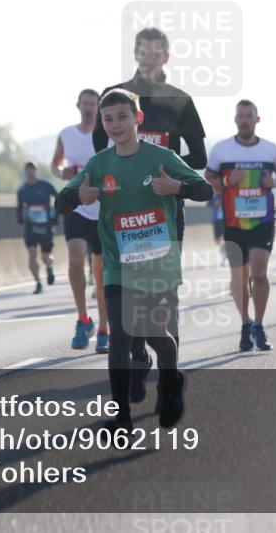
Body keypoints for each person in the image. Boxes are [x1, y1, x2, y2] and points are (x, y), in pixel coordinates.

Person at [56, 88, 212, 433]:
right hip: (117, 264)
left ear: (137, 119)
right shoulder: (99, 164)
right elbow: (61, 202)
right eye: (108, 119)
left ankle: (171, 380)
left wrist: (177, 188)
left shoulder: (161, 157)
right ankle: (122, 417)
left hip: (157, 263)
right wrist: (74, 196)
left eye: (122, 117)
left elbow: (205, 190)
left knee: (155, 335)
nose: (115, 125)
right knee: (121, 336)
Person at [92, 27, 207, 402]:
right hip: (122, 214)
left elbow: (201, 159)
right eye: (142, 51)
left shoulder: (180, 99)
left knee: (163, 292)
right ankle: (138, 355)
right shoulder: (117, 96)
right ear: (135, 54)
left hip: (164, 209)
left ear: (166, 57)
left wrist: (168, 174)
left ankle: (168, 371)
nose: (149, 57)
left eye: (156, 52)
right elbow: (98, 151)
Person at [206, 100, 276, 351]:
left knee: (260, 273)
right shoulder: (221, 150)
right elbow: (208, 179)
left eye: (248, 116)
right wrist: (226, 179)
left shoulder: (271, 150)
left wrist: (274, 181)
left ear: (257, 120)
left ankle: (259, 325)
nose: (244, 120)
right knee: (239, 278)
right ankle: (245, 322)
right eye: (240, 116)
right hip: (233, 222)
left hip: (262, 220)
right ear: (235, 120)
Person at [51, 90, 108, 352]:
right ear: (78, 106)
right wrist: (63, 172)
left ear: (98, 107)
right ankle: (83, 319)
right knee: (75, 258)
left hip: (103, 208)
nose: (88, 108)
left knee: (101, 273)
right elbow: (55, 166)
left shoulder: (108, 134)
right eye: (85, 103)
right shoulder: (67, 134)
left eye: (93, 104)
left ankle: (104, 329)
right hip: (76, 204)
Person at [17, 162, 58, 295]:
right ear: (25, 172)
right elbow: (19, 207)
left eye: (32, 169)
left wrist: (55, 215)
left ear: (36, 171)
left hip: (45, 226)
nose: (29, 172)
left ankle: (49, 267)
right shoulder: (22, 190)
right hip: (31, 227)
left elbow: (59, 198)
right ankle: (38, 281)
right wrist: (20, 217)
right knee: (32, 254)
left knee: (45, 257)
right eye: (27, 170)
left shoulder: (45, 186)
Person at [210, 193, 227, 265]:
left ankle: (224, 257)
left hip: (225, 220)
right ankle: (223, 256)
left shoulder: (226, 195)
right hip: (216, 221)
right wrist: (215, 203)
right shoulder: (214, 197)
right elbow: (209, 205)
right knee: (218, 241)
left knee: (223, 239)